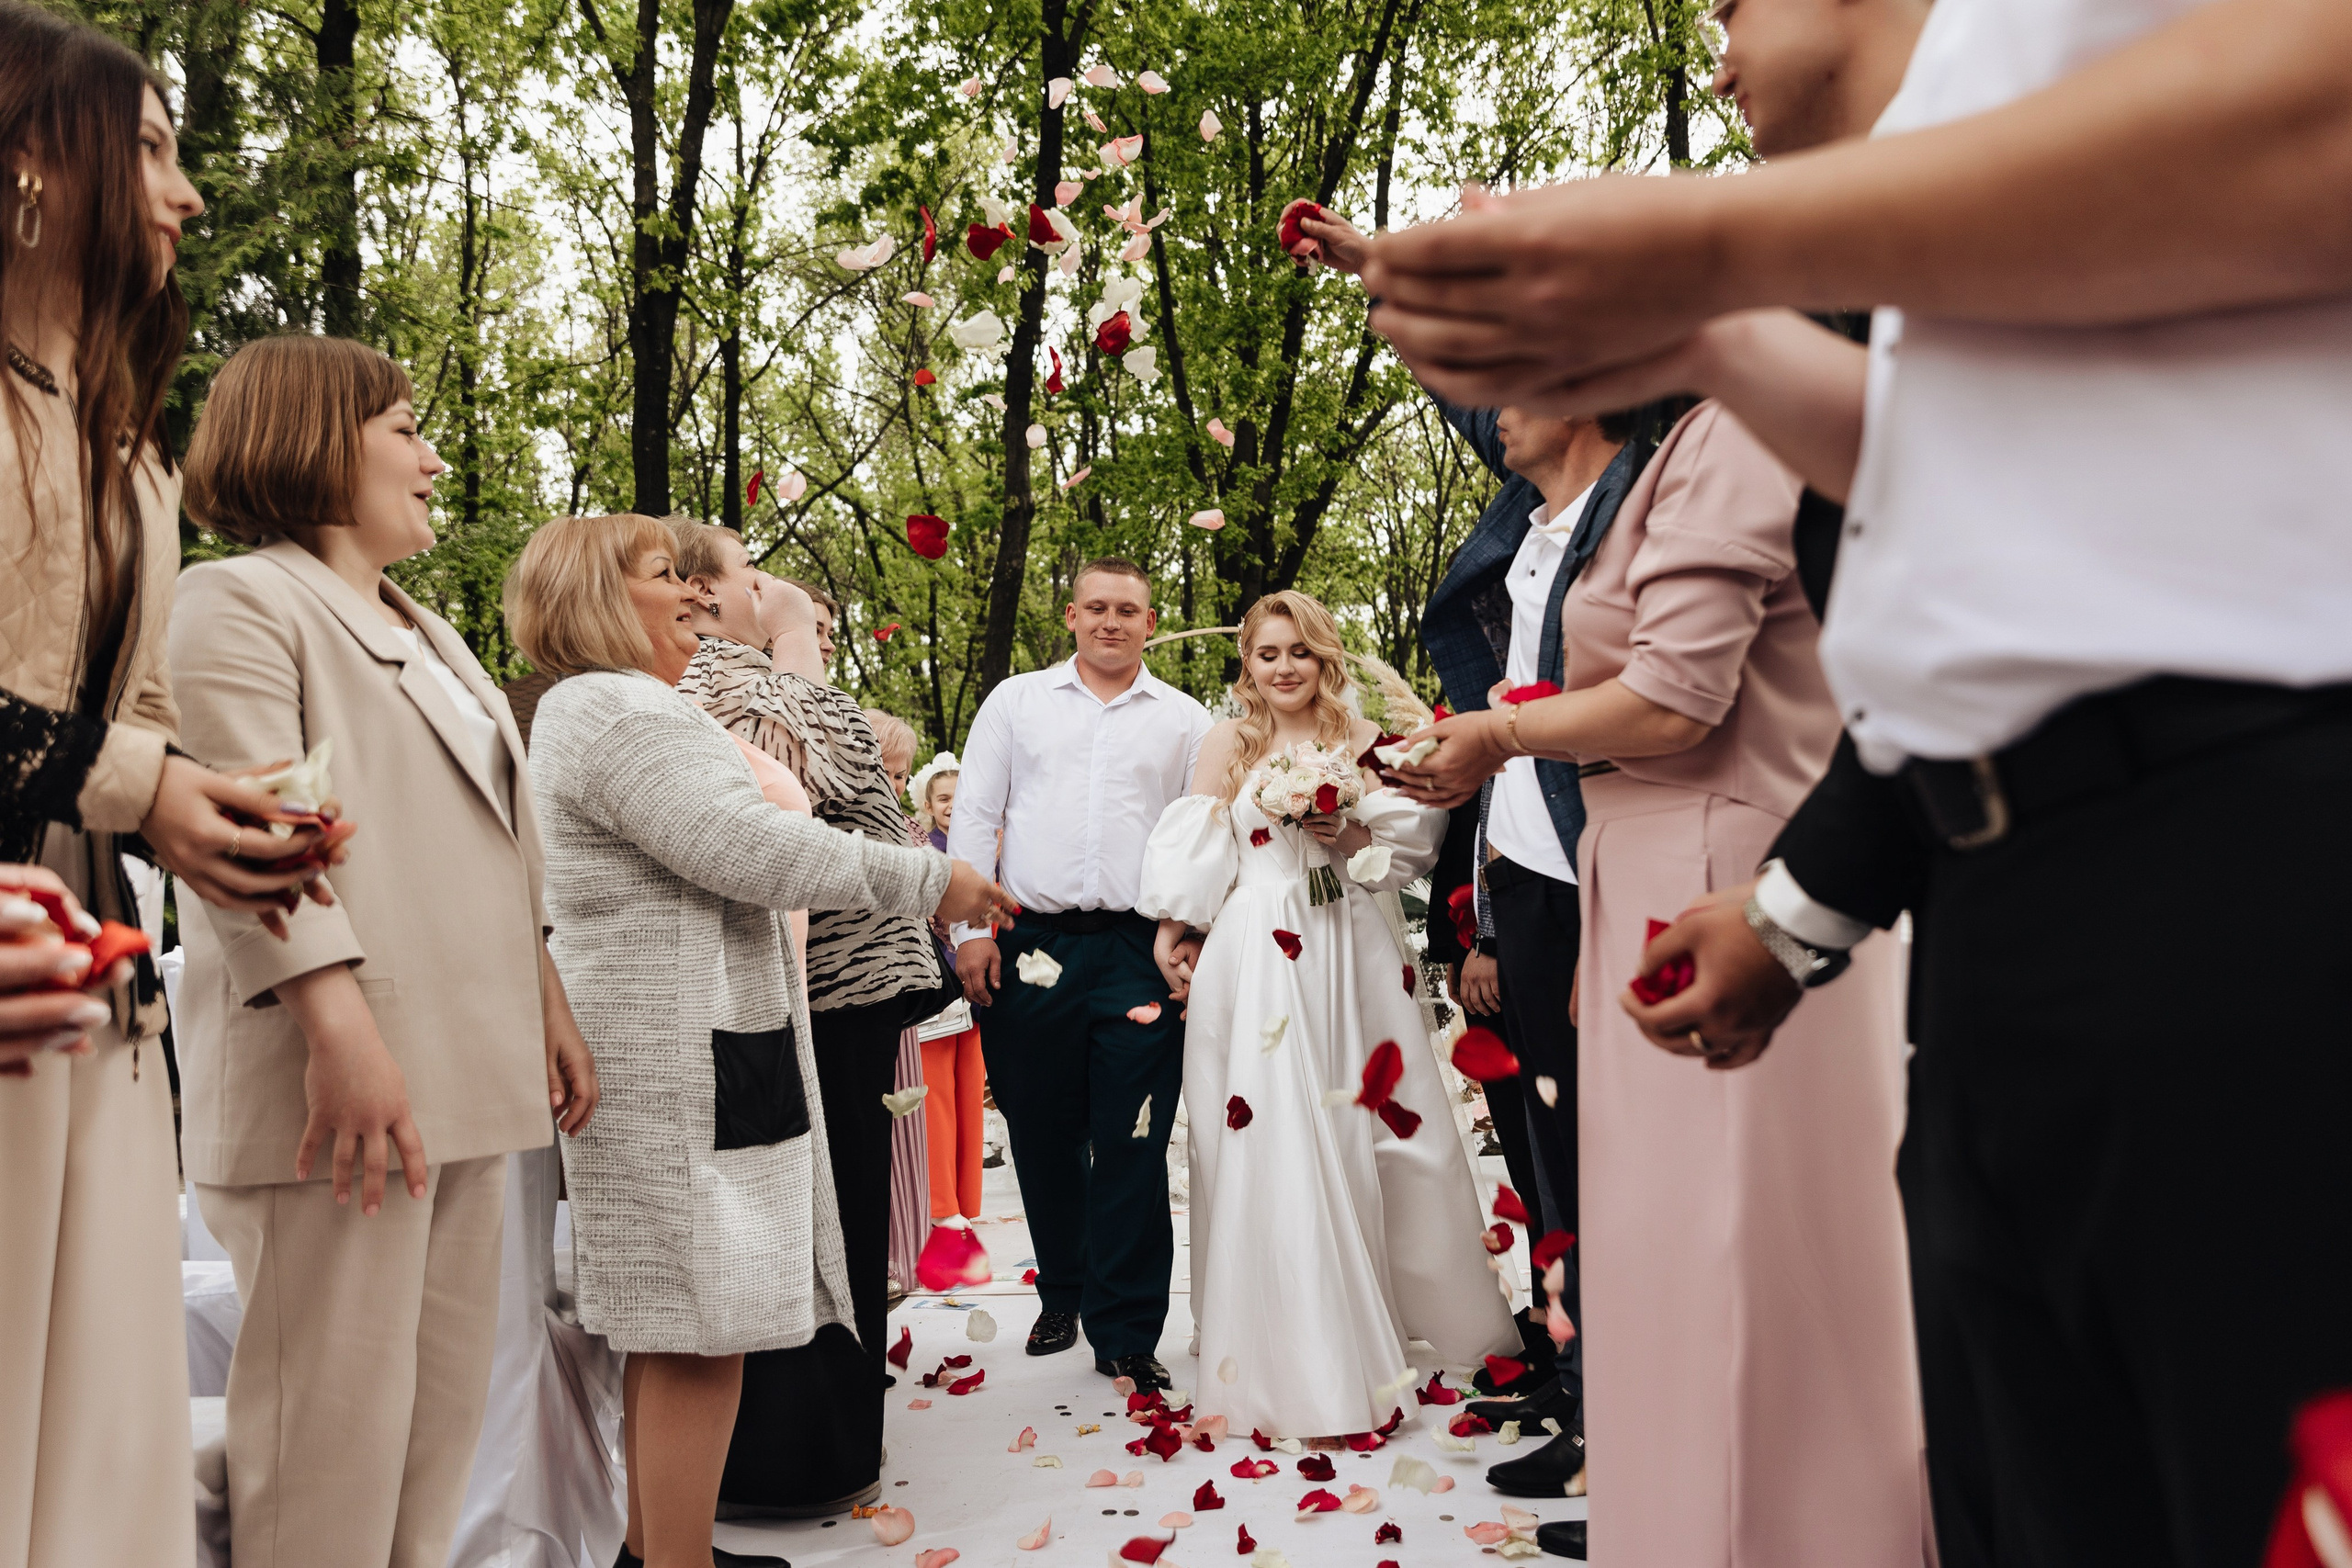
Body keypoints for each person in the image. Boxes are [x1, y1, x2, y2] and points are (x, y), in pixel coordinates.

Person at [1375, 4, 2352, 1562]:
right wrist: (1692, 330)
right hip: (1999, 930)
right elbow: (1956, 500)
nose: (1713, 34)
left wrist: (1702, 250)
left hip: (2255, 849)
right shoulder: (1929, 179)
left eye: (1732, 0)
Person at [1394, 396, 1926, 1567]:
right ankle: (1687, 1507)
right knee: (1668, 1242)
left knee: (1734, 1236)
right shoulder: (1694, 443)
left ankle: (1777, 1527)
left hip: (1711, 868)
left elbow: (1677, 700)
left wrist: (1496, 734)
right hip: (1636, 861)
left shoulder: (1733, 435)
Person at [165, 333, 599, 1568]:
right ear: (313, 435)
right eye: (405, 428)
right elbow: (265, 837)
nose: (433, 455)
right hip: (341, 1091)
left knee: (430, 1443)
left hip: (464, 1079)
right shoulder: (236, 600)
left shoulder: (425, 627)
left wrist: (547, 1006)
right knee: (327, 1460)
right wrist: (341, 1034)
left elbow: (492, 854)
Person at [0, 17, 345, 1564]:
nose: (187, 194)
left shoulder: (131, 448)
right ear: (27, 159)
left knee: (108, 1441)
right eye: (148, 147)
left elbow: (119, 726)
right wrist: (149, 782)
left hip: (89, 975)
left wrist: (216, 818)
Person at [508, 512, 1012, 1568]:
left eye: (701, 576)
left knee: (680, 1319)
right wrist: (931, 877)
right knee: (705, 1323)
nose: (695, 591)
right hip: (680, 1051)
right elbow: (750, 849)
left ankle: (658, 1549)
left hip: (698, 1036)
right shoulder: (616, 711)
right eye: (666, 575)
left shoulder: (614, 707)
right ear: (602, 596)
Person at [1295, 204, 1649, 1487]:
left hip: (1602, 859)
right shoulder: (1530, 521)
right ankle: (1580, 1384)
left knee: (1614, 1155)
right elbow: (1471, 395)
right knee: (1549, 1153)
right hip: (1518, 875)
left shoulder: (1633, 506)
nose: (1492, 412)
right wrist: (1370, 273)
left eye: (1518, 388)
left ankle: (1635, 1421)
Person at [1136, 589, 1514, 1439]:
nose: (1283, 668)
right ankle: (1282, 1340)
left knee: (1370, 1128)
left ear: (1323, 659)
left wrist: (1339, 823)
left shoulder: (1354, 740)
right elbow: (1200, 846)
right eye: (1268, 653)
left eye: (1299, 653)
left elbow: (1393, 860)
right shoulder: (1226, 739)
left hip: (1345, 944)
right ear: (1249, 662)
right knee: (1266, 1128)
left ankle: (1375, 1311)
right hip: (1254, 952)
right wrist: (1172, 931)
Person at [670, 521, 948, 1394]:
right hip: (816, 979)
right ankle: (822, 1421)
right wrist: (795, 633)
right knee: (827, 1197)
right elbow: (829, 771)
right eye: (752, 570)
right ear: (707, 592)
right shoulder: (725, 682)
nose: (770, 583)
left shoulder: (750, 679)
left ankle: (844, 1402)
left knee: (851, 1190)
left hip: (839, 978)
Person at [947, 558, 1213, 1390]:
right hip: (1028, 940)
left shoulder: (1184, 720)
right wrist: (969, 929)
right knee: (1042, 1127)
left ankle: (1129, 1328)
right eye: (1096, 607)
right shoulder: (1016, 703)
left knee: (1135, 1135)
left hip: (1139, 946)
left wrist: (1189, 937)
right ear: (1070, 615)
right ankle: (1061, 1287)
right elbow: (975, 816)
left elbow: (1197, 833)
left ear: (1150, 620)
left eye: (1127, 609)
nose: (1110, 621)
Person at [910, 751, 985, 1224]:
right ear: (929, 803)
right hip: (938, 980)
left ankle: (968, 1199)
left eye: (960, 798)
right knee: (935, 1092)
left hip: (977, 980)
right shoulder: (923, 848)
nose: (952, 806)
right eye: (943, 798)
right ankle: (941, 1202)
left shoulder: (985, 850)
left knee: (970, 1089)